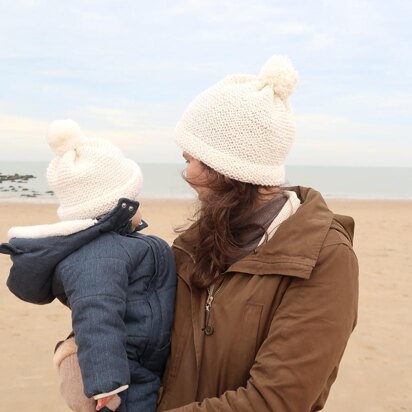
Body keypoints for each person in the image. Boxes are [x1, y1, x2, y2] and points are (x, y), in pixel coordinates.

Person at [157, 55, 359, 411]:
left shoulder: (324, 258)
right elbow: (141, 321)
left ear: (228, 167)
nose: (186, 175)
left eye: (191, 159)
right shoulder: (194, 243)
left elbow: (274, 401)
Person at [0, 120, 176, 412]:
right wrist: (106, 383)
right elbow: (96, 315)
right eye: (135, 199)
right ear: (118, 208)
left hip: (139, 357)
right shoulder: (98, 255)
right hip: (126, 369)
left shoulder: (115, 246)